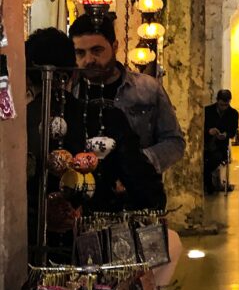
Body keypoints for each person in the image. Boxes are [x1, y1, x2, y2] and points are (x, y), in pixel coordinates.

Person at [26, 28, 165, 247]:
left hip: (24, 250)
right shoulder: (104, 118)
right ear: (73, 73)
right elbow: (147, 190)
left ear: (25, 77)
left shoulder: (14, 127)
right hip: (93, 247)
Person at [69, 13, 184, 174]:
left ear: (115, 46)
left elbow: (174, 142)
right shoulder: (68, 93)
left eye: (96, 50)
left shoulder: (147, 89)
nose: (89, 60)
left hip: (135, 192)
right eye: (80, 53)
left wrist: (138, 161)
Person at [203, 89, 239, 194]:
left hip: (220, 147)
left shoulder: (233, 114)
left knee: (214, 160)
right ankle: (209, 184)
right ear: (217, 101)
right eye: (221, 105)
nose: (224, 107)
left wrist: (226, 135)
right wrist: (209, 131)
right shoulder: (207, 111)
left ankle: (208, 185)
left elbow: (233, 132)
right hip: (206, 144)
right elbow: (200, 129)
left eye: (226, 105)